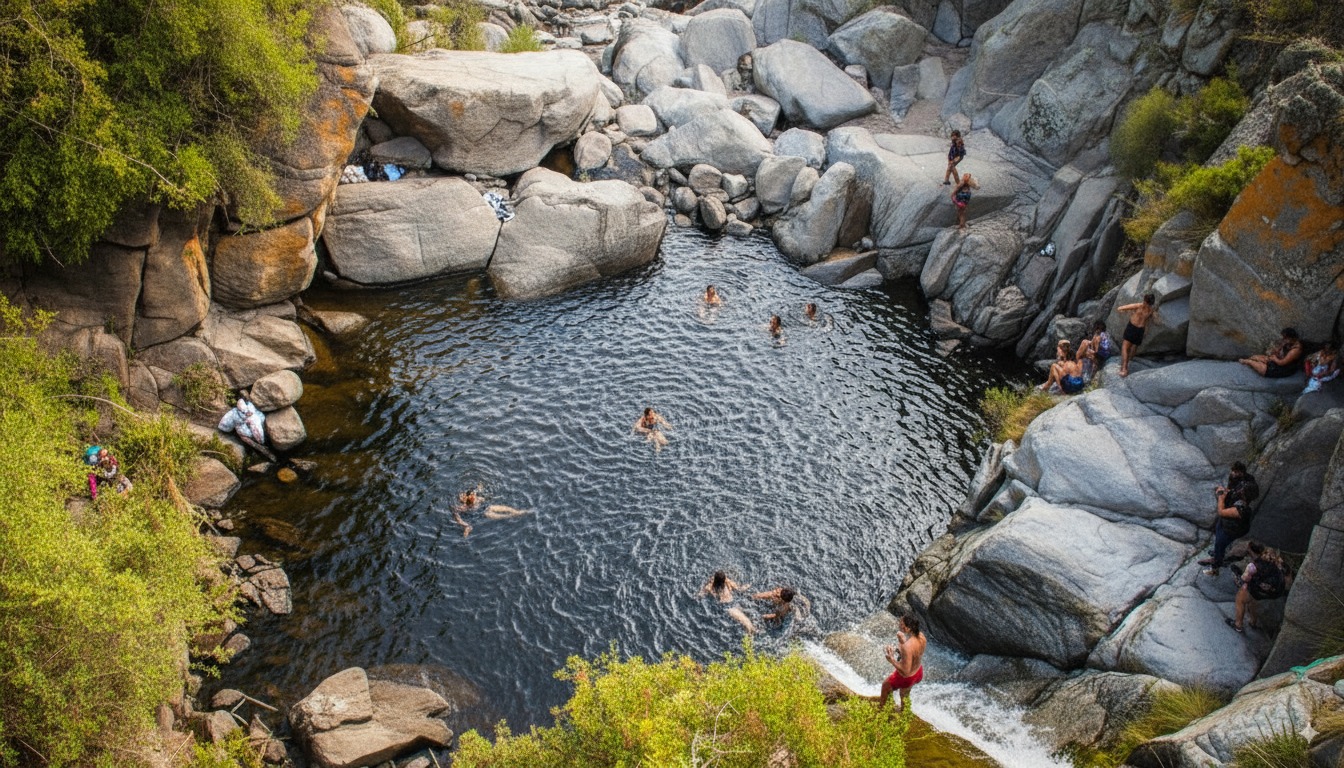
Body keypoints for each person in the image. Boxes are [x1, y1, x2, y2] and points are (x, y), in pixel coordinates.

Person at [1226, 542, 1290, 633]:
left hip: (1259, 589)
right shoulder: (1278, 562)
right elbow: (1287, 578)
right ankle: (1253, 622)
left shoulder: (1253, 566)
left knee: (1241, 598)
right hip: (1276, 592)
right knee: (1253, 599)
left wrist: (1239, 578)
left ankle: (1238, 624)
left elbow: (1244, 578)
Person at [877, 614, 927, 712]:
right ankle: (904, 713)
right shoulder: (921, 636)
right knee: (904, 694)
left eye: (902, 624)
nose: (899, 625)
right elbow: (913, 654)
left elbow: (905, 672)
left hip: (908, 677)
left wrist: (892, 660)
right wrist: (900, 645)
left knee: (885, 686)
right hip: (918, 672)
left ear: (908, 628)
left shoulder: (907, 646)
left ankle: (881, 711)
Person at [1202, 486, 1252, 577]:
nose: (1239, 491)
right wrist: (1223, 490)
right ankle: (1217, 553)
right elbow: (1229, 491)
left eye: (1242, 491)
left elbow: (1221, 512)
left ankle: (1215, 567)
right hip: (1225, 525)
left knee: (1220, 544)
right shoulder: (1239, 496)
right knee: (1219, 543)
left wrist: (1221, 497)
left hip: (1231, 530)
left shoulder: (1241, 510)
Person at [218, 397, 275, 461]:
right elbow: (226, 422)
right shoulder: (234, 413)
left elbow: (258, 416)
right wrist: (225, 427)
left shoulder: (250, 407)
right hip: (244, 430)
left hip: (256, 425)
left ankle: (262, 441)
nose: (247, 413)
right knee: (246, 433)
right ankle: (261, 444)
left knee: (256, 425)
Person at [1115, 294, 1157, 377]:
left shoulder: (1139, 306)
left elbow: (1122, 308)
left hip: (1132, 327)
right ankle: (1128, 361)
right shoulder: (1151, 311)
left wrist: (1121, 310)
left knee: (1125, 347)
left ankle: (1124, 368)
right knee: (1134, 347)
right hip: (1140, 330)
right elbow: (1157, 321)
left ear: (1145, 300)